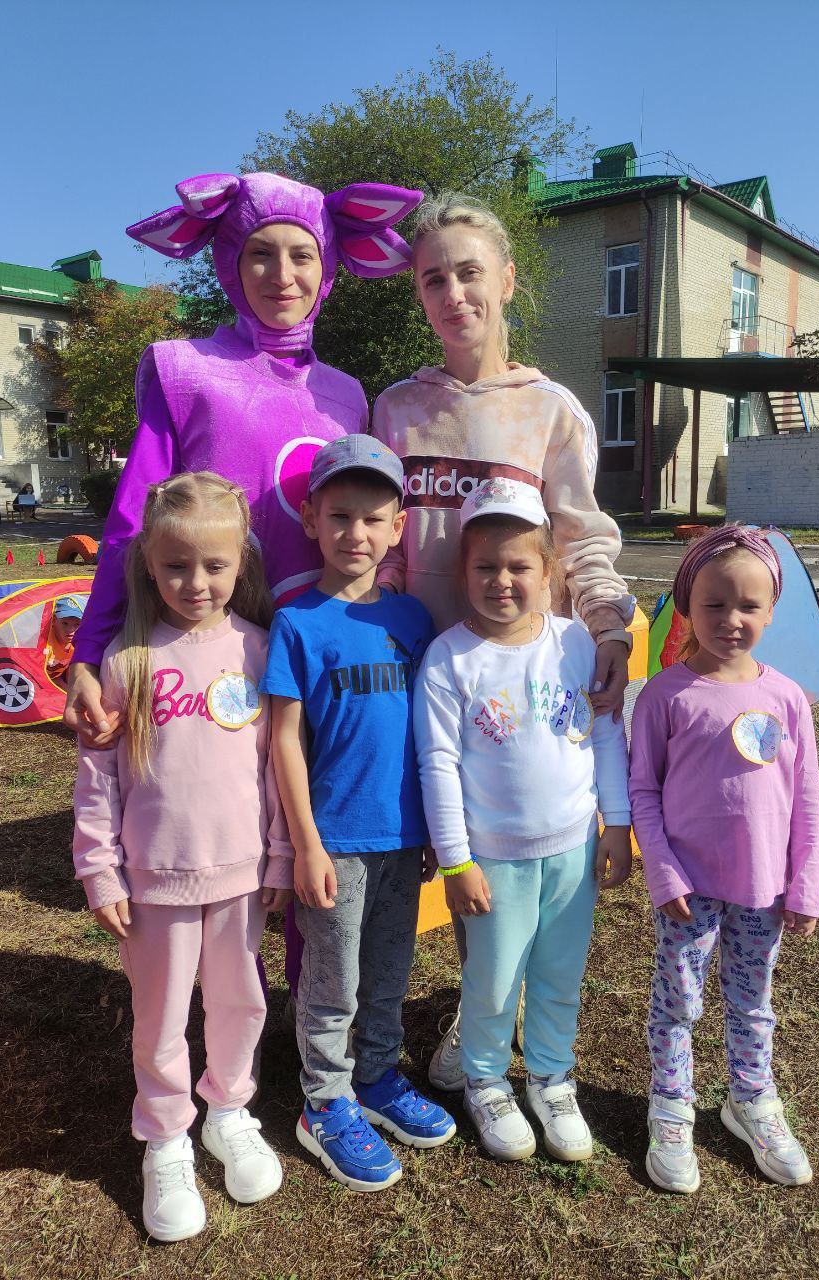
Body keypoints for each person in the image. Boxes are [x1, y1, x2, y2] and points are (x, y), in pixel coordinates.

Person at [372, 194, 636, 1091]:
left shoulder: (550, 410)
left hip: (519, 682)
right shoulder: (395, 409)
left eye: (469, 272)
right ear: (418, 294)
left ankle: (495, 1017)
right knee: (450, 848)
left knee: (513, 847)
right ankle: (475, 1001)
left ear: (508, 280)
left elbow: (581, 537)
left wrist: (607, 623)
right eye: (432, 279)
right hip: (425, 670)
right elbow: (384, 541)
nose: (453, 293)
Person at [65, 170, 422, 747]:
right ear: (229, 261)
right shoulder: (186, 372)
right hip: (212, 658)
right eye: (260, 253)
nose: (282, 275)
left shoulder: (348, 395)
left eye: (302, 255)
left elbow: (369, 519)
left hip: (322, 663)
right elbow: (132, 523)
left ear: (328, 266)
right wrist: (89, 651)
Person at [71, 472, 291, 1242]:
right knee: (160, 1016)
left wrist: (280, 856)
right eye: (176, 566)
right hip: (152, 883)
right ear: (148, 565)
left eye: (214, 566)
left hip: (240, 877)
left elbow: (278, 766)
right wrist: (100, 870)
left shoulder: (260, 650)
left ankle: (228, 1110)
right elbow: (97, 780)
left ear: (241, 564)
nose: (195, 582)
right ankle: (165, 1136)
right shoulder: (124, 661)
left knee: (239, 1001)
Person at [414, 478, 631, 1162]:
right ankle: (485, 1081)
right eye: (485, 566)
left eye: (518, 566)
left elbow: (605, 735)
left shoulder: (574, 644)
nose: (501, 581)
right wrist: (456, 860)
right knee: (493, 978)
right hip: (492, 859)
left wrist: (617, 824)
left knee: (560, 973)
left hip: (573, 850)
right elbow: (438, 766)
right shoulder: (448, 659)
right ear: (462, 571)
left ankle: (550, 1078)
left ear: (548, 571)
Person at [261, 436, 455, 1191]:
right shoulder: (297, 623)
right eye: (339, 516)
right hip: (335, 841)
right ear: (311, 520)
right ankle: (325, 1101)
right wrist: (304, 844)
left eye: (373, 518)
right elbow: (283, 740)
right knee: (332, 982)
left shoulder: (413, 619)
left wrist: (434, 826)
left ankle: (375, 1077)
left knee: (388, 971)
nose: (355, 533)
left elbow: (433, 734)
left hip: (404, 838)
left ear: (398, 527)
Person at [628, 524, 819, 1194]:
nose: (730, 619)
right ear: (687, 605)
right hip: (688, 891)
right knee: (678, 1003)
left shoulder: (788, 698)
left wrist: (804, 883)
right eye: (714, 604)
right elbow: (642, 790)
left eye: (748, 605)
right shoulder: (664, 696)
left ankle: (750, 1099)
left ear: (771, 612)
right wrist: (662, 872)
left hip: (762, 890)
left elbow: (805, 800)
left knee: (751, 1002)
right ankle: (671, 1106)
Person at [45, 594, 86, 685]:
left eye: (77, 624)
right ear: (54, 621)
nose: (70, 630)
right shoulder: (44, 642)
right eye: (65, 623)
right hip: (41, 680)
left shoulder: (79, 643)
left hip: (58, 677)